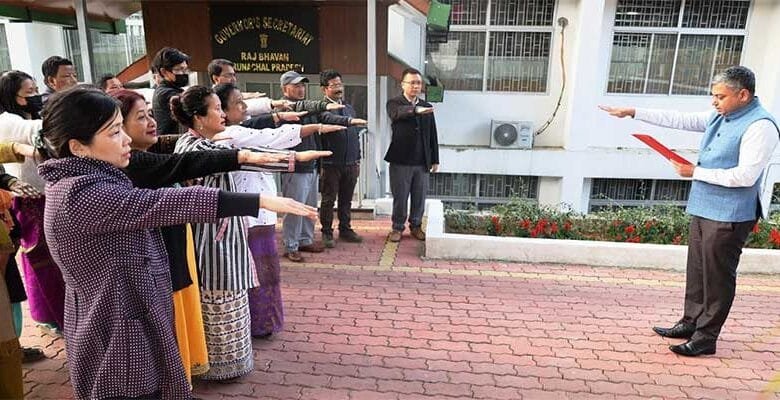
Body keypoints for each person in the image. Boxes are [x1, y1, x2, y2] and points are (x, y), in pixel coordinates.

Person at [38, 86, 317, 398]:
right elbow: (164, 202)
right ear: (78, 146)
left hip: (125, 323)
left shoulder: (92, 179)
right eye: (116, 132)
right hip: (115, 340)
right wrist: (259, 200)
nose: (127, 139)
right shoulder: (82, 194)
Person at [600, 66, 780, 357]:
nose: (714, 102)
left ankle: (706, 337)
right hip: (705, 206)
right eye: (713, 96)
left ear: (743, 95)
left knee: (717, 277)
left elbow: (745, 177)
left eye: (720, 96)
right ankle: (690, 322)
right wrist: (634, 111)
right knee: (697, 270)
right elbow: (680, 119)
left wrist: (695, 172)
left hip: (730, 214)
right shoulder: (723, 115)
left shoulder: (760, 126)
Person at [213, 83, 339, 337]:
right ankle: (257, 325)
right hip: (247, 217)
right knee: (255, 274)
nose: (244, 106)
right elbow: (268, 141)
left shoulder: (235, 131)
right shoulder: (229, 136)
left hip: (260, 214)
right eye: (237, 103)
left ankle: (263, 323)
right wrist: (313, 130)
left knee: (266, 271)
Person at [0, 70, 65, 339]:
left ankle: (50, 315)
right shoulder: (7, 120)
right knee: (40, 261)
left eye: (36, 89)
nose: (36, 95)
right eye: (29, 92)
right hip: (27, 201)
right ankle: (51, 316)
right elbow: (30, 136)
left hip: (39, 194)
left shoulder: (26, 117)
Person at [277, 70, 360, 262]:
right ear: (285, 89)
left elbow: (327, 121)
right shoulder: (284, 110)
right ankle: (291, 245)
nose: (301, 89)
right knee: (294, 207)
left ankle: (305, 239)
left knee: (308, 206)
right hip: (295, 166)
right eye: (296, 86)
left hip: (312, 165)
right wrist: (348, 120)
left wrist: (347, 121)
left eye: (302, 85)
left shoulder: (310, 108)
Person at [385, 67, 440, 242]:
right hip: (400, 160)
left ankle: (416, 226)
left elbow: (432, 134)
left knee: (419, 196)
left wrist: (435, 159)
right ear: (403, 84)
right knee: (400, 197)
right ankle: (397, 227)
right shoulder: (394, 103)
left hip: (422, 160)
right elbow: (396, 114)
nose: (416, 86)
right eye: (412, 83)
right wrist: (415, 110)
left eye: (418, 83)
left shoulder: (427, 106)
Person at [317, 69, 368, 248]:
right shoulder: (322, 108)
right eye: (334, 85)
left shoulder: (348, 107)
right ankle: (327, 232)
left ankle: (345, 229)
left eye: (340, 84)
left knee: (346, 199)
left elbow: (355, 136)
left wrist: (358, 160)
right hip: (331, 164)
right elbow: (330, 119)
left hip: (350, 163)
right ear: (324, 89)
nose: (339, 88)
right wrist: (349, 121)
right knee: (328, 200)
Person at [152, 47, 190, 135]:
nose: (184, 73)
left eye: (185, 69)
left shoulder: (173, 89)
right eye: (179, 69)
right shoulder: (165, 93)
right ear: (164, 72)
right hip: (170, 145)